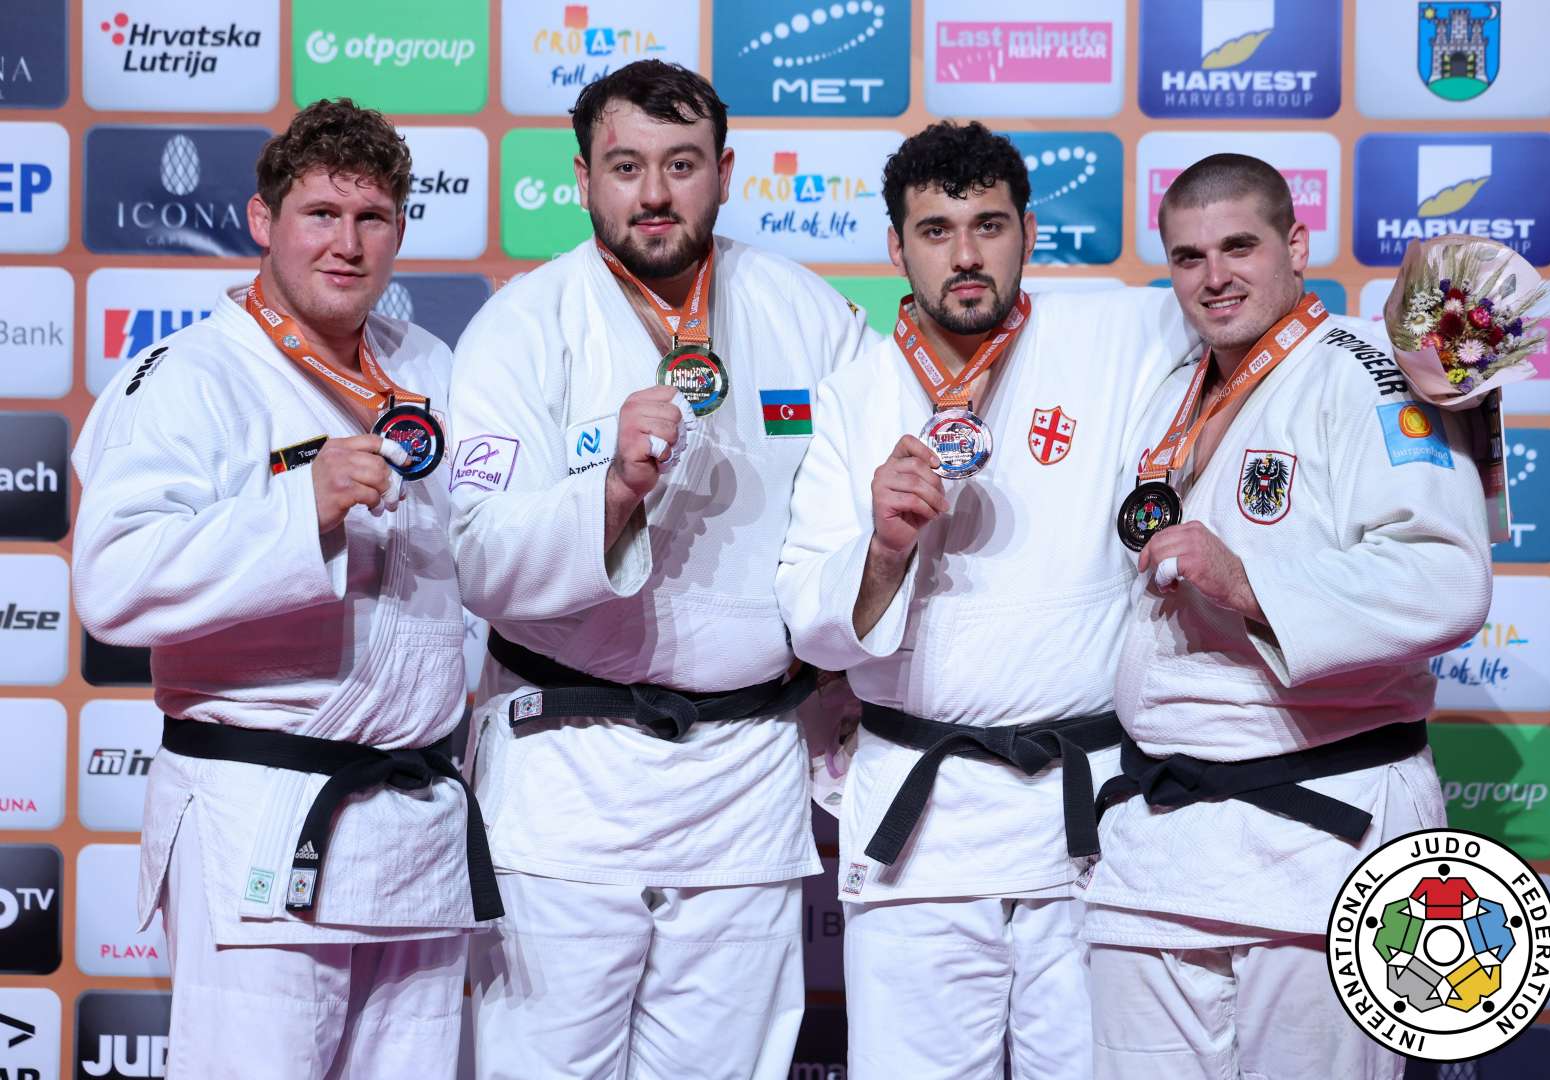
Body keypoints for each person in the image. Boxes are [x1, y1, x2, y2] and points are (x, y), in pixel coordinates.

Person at [449, 60, 871, 1079]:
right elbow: (473, 548)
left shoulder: (809, 316)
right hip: (566, 775)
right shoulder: (523, 325)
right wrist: (610, 494)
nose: (652, 194)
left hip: (743, 776)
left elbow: (854, 520)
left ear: (725, 172)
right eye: (625, 166)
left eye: (681, 165)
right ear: (583, 176)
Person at [70, 99, 499, 1079]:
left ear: (400, 231)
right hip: (263, 818)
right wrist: (296, 508)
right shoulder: (188, 375)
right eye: (320, 215)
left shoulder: (426, 368)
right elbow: (114, 584)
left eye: (373, 218)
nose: (346, 245)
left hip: (418, 824)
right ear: (264, 223)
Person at [777, 120, 1196, 1079]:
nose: (965, 256)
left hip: (1087, 818)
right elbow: (808, 616)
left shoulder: (1119, 332)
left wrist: (1443, 373)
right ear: (895, 245)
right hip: (923, 834)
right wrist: (884, 546)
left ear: (1029, 231)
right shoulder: (854, 394)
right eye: (935, 230)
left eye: (988, 225)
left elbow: (1257, 318)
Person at [1082, 153, 1492, 1080]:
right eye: (1188, 257)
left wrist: (1249, 582)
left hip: (1321, 835)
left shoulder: (1374, 377)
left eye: (1239, 246)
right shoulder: (1179, 385)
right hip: (1160, 839)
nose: (1214, 276)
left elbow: (1447, 576)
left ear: (1296, 245)